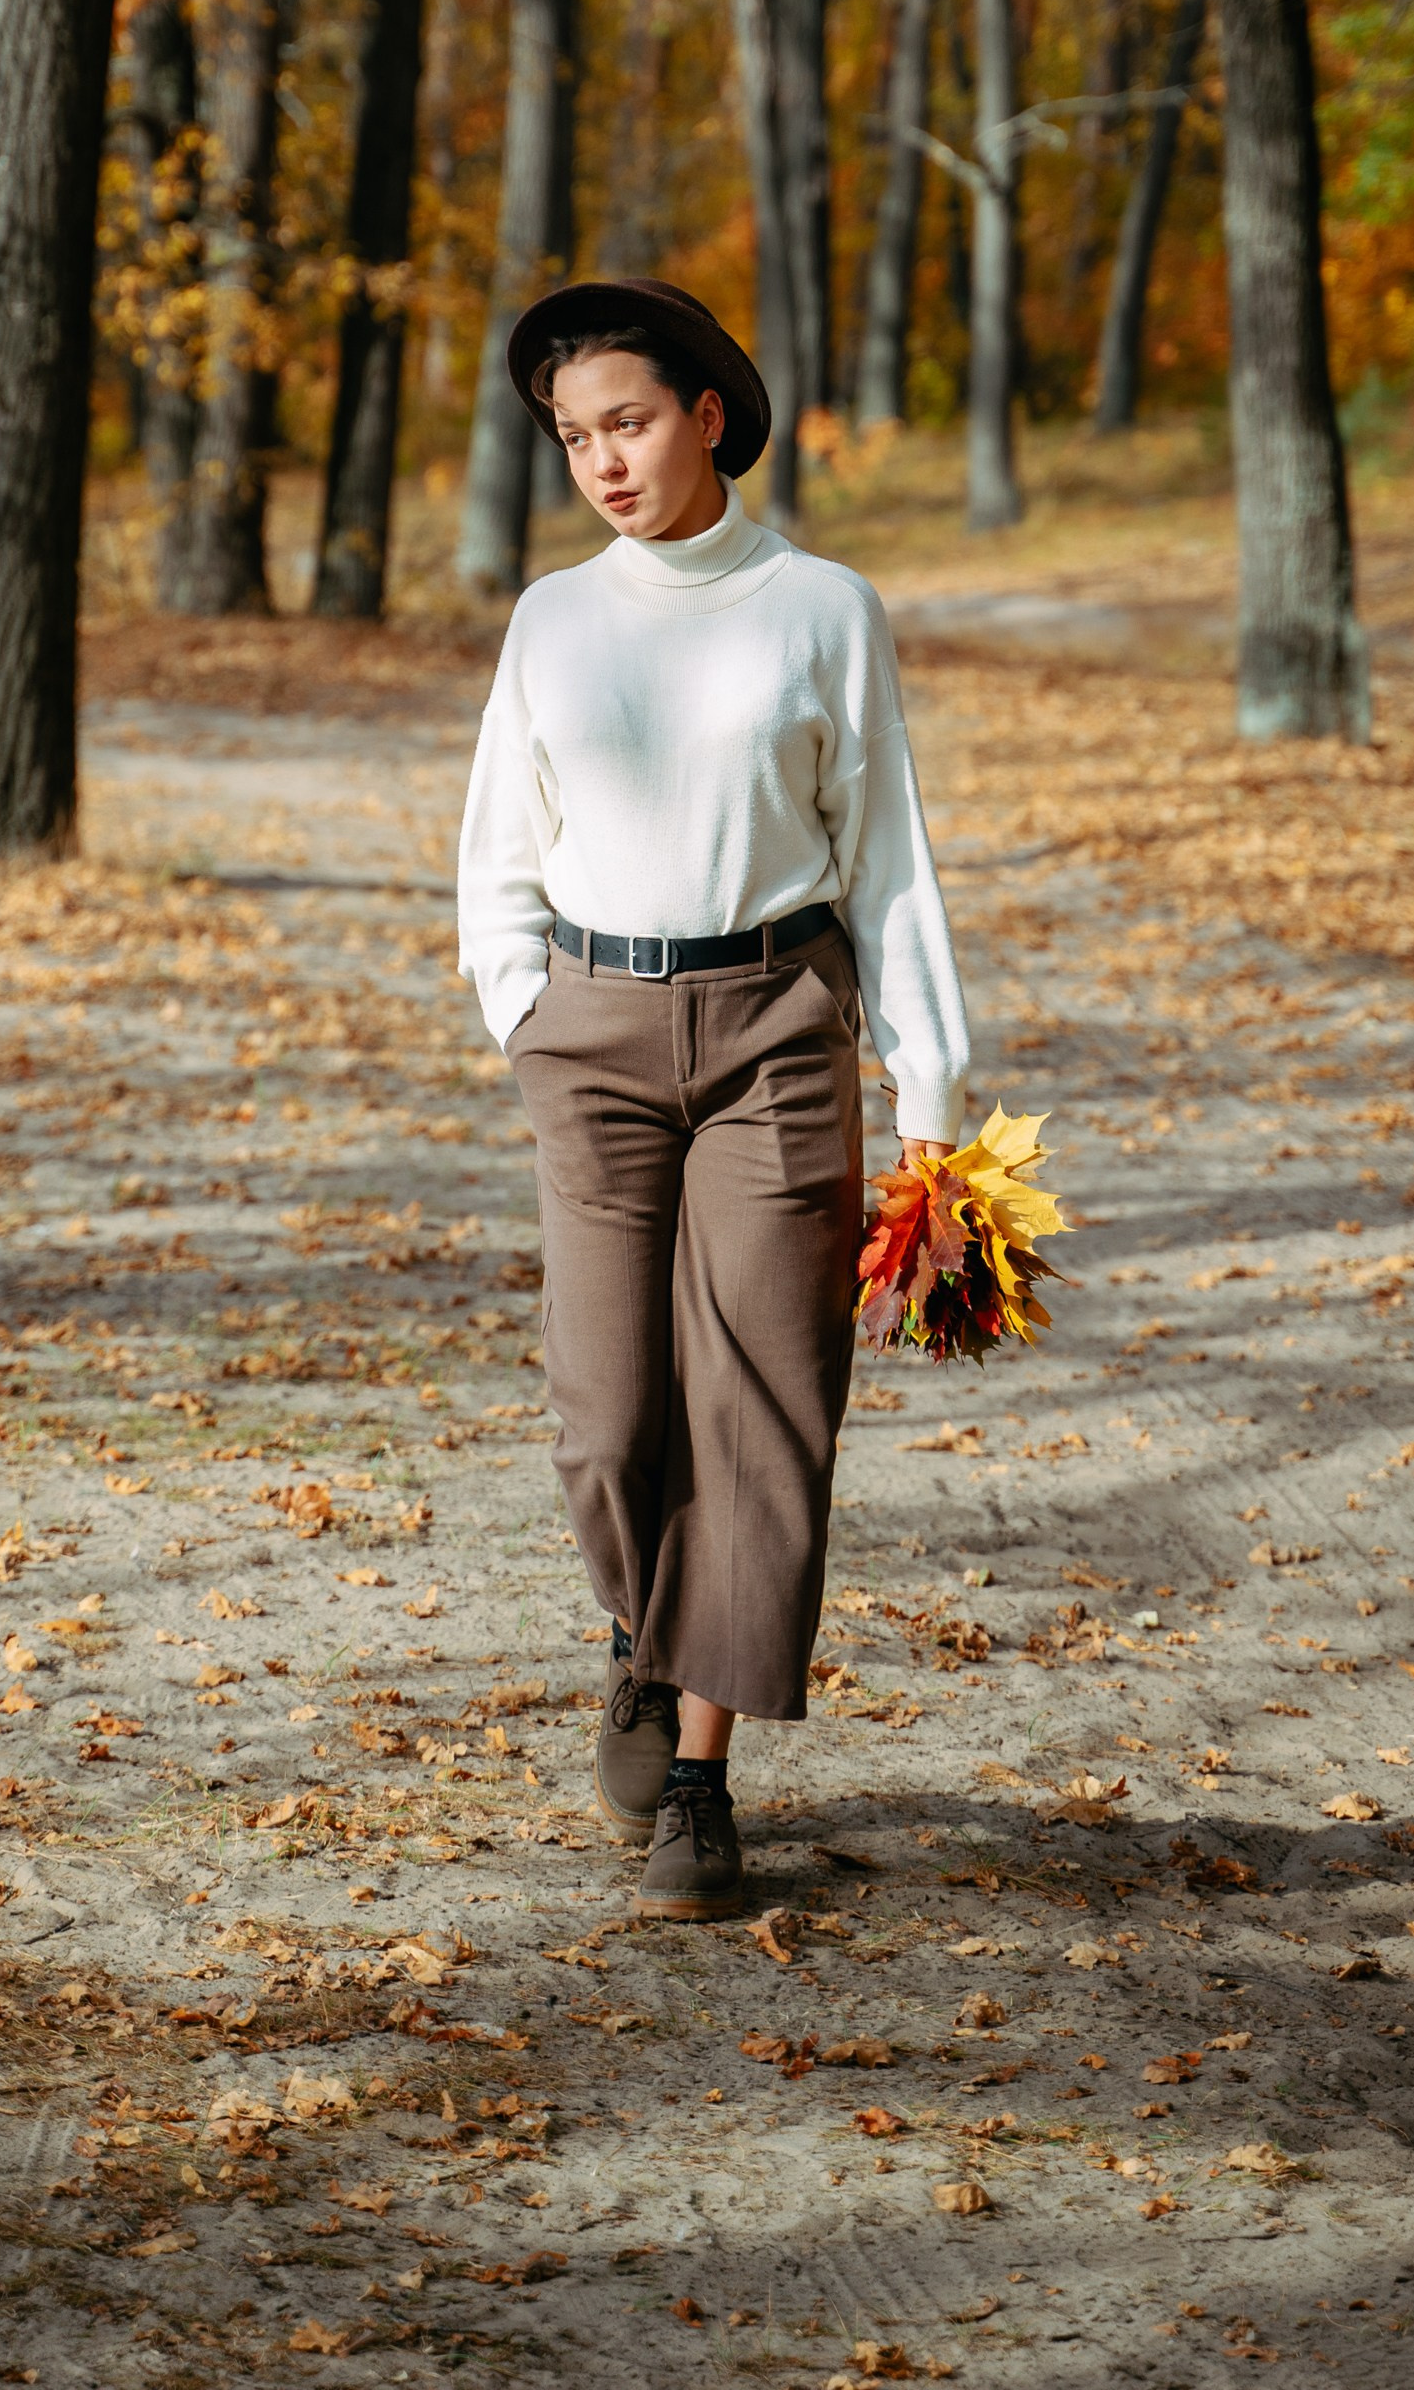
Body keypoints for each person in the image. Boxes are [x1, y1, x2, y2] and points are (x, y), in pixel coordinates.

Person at [456, 277, 972, 1919]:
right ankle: (640, 1626)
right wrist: (524, 1006)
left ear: (707, 416)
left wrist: (930, 1086)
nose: (602, 462)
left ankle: (698, 1776)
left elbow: (887, 852)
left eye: (625, 422)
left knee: (763, 1410)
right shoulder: (554, 615)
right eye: (571, 436)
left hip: (775, 1023)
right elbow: (497, 845)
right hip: (595, 1031)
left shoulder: (823, 608)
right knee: (609, 1419)